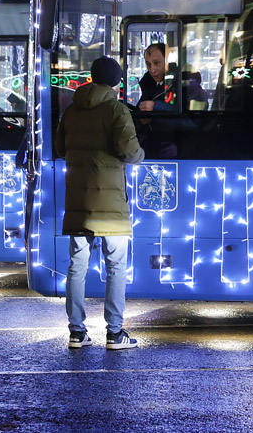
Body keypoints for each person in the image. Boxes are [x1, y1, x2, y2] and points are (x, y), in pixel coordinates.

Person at [55, 55, 144, 349]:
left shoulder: (72, 110)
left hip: (78, 200)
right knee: (116, 265)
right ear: (117, 81)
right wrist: (142, 155)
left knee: (77, 266)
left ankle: (76, 332)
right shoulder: (116, 110)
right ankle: (115, 332)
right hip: (111, 206)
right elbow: (130, 152)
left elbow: (59, 148)